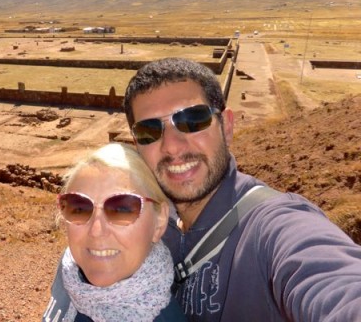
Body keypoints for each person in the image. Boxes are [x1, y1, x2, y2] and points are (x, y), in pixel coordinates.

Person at [46, 58, 361, 321]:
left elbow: (336, 285)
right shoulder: (141, 217)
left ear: (226, 126)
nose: (171, 146)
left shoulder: (273, 227)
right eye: (149, 130)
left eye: (193, 121)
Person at [44, 142, 187, 321]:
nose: (96, 230)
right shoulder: (69, 270)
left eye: (122, 209)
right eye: (79, 208)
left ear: (159, 222)